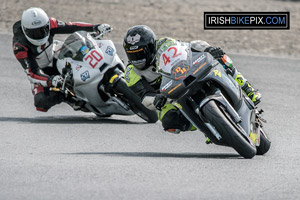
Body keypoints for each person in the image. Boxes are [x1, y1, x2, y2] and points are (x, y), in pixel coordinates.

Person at [123, 25, 262, 133]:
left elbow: (188, 49)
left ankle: (247, 88)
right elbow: (143, 96)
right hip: (168, 97)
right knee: (170, 123)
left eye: (141, 52)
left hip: (186, 75)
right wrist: (155, 99)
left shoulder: (164, 44)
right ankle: (208, 128)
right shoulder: (130, 73)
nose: (138, 59)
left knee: (218, 56)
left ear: (151, 46)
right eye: (132, 54)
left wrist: (207, 49)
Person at [12, 7, 112, 111]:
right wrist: (50, 80)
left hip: (56, 53)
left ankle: (105, 69)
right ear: (25, 30)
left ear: (47, 25)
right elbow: (32, 73)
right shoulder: (19, 46)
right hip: (41, 71)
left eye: (43, 30)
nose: (39, 35)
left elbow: (71, 26)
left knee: (81, 47)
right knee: (40, 102)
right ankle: (70, 98)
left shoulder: (50, 23)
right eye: (34, 33)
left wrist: (95, 27)